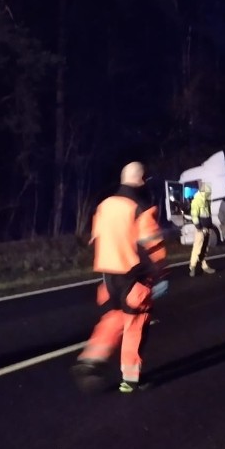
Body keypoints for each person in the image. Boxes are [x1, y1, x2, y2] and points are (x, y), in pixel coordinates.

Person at [71, 161, 167, 394]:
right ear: (141, 180)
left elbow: (96, 238)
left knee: (113, 318)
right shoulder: (140, 206)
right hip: (134, 275)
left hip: (108, 275)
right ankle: (131, 380)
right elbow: (151, 245)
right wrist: (161, 273)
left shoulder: (104, 205)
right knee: (136, 322)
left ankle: (91, 359)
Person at [189, 182, 216, 277]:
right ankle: (192, 267)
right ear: (204, 192)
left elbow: (208, 215)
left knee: (205, 248)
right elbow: (194, 216)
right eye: (208, 193)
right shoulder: (196, 201)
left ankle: (204, 266)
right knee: (197, 248)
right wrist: (199, 228)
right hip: (200, 229)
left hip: (207, 228)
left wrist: (210, 227)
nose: (209, 195)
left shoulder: (206, 201)